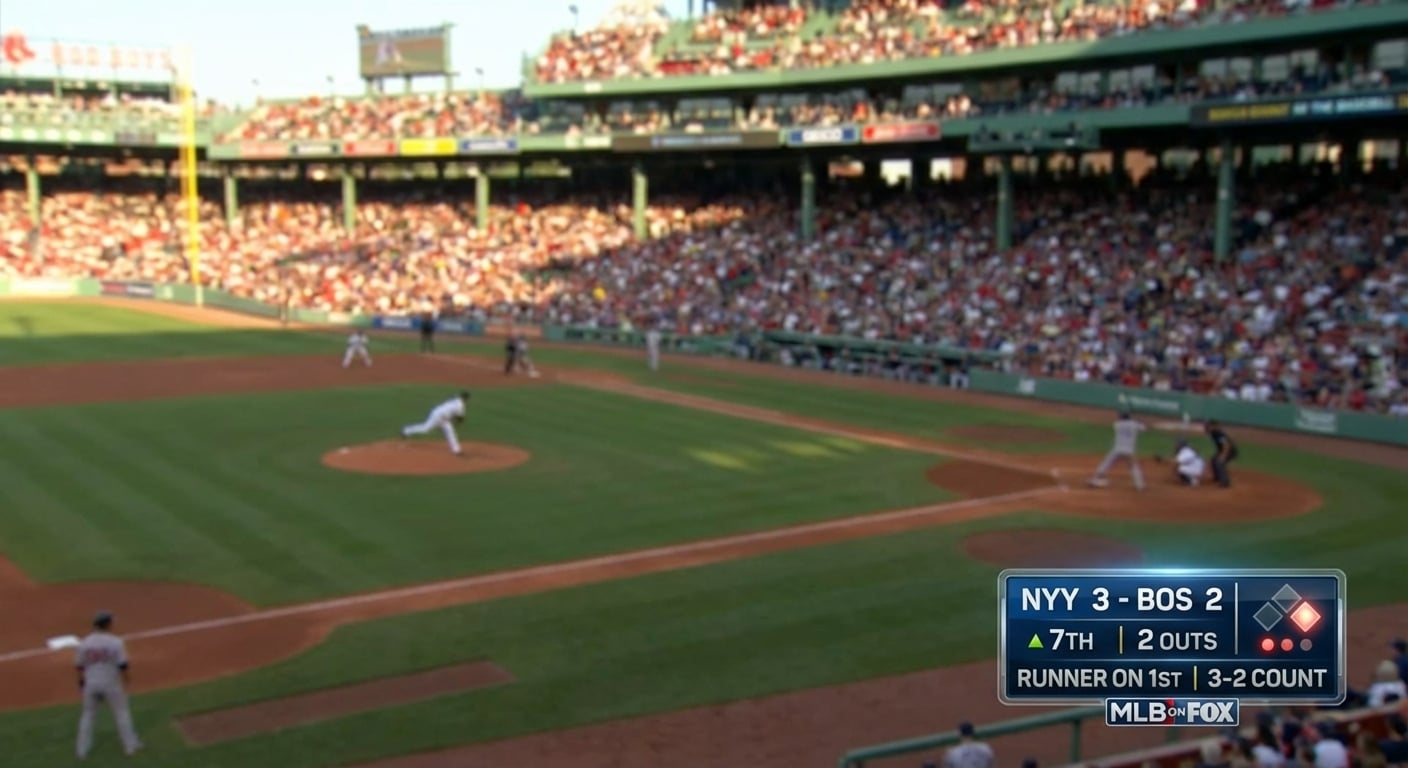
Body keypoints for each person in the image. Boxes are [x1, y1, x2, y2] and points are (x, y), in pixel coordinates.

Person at [75, 611, 142, 759]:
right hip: (111, 684)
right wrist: (127, 680)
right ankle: (130, 746)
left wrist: (81, 682)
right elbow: (123, 665)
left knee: (87, 716)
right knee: (121, 714)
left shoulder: (84, 642)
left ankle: (81, 750)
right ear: (108, 625)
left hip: (91, 683)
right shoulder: (115, 642)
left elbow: (79, 666)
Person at [1088, 410, 1146, 491]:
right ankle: (1140, 486)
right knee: (1133, 466)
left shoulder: (1117, 424)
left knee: (1106, 463)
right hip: (1129, 450)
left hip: (1117, 449)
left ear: (1121, 417)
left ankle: (1095, 479)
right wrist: (1139, 421)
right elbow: (1144, 428)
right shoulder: (1134, 424)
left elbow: (1124, 424)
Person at [401, 391, 470, 455]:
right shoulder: (460, 406)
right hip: (438, 416)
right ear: (466, 399)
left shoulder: (456, 398)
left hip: (443, 417)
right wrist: (458, 424)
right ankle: (406, 430)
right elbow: (460, 418)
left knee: (450, 431)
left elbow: (457, 415)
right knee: (426, 429)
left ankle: (456, 450)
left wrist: (456, 419)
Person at [1205, 420, 1239, 488]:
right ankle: (1217, 477)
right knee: (1213, 459)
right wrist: (1218, 454)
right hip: (1223, 451)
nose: (1206, 428)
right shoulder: (1213, 433)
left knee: (1219, 462)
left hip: (1230, 451)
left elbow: (1226, 445)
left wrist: (1223, 456)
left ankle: (1225, 482)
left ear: (1212, 426)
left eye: (1208, 426)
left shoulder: (1218, 433)